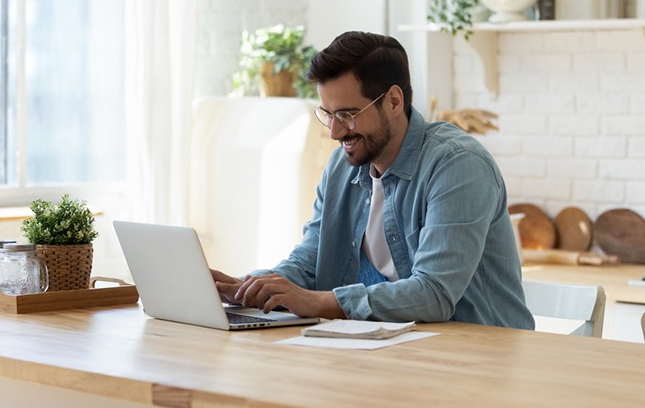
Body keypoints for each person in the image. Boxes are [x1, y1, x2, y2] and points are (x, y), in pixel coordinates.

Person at [212, 31, 534, 329]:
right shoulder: (342, 166)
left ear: (394, 101)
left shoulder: (458, 166)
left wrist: (317, 302)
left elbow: (434, 293)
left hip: (483, 358)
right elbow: (311, 261)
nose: (335, 132)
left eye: (347, 115)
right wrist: (248, 287)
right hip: (400, 351)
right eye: (328, 114)